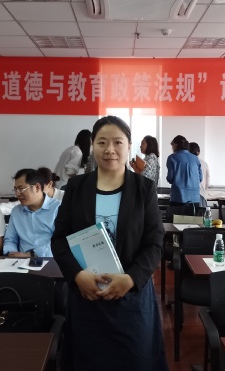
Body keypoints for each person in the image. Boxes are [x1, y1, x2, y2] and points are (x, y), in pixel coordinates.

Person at [51, 115, 167, 371]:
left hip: (131, 299)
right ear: (92, 145)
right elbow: (59, 239)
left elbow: (155, 243)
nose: (110, 149)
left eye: (118, 142)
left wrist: (131, 278)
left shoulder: (144, 189)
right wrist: (77, 275)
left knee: (136, 362)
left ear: (129, 146)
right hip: (87, 297)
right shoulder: (76, 187)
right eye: (102, 142)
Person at [4, 168, 61, 258]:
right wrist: (12, 253)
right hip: (21, 261)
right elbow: (10, 239)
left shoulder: (58, 208)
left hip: (51, 260)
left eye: (21, 189)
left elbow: (61, 241)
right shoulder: (16, 211)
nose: (17, 194)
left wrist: (31, 254)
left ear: (37, 187)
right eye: (15, 190)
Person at [166, 134, 202, 206]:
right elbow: (200, 178)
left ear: (175, 145)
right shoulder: (195, 158)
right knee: (194, 214)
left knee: (177, 214)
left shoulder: (172, 158)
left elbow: (170, 178)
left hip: (178, 197)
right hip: (195, 198)